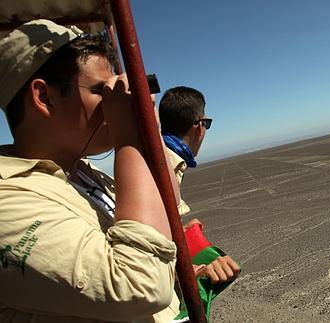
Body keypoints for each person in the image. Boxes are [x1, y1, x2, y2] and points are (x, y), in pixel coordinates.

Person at [0, 19, 216, 322]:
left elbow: (161, 214)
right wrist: (127, 136)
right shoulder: (8, 201)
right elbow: (137, 285)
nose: (115, 102)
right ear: (44, 97)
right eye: (102, 90)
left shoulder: (81, 174)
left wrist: (148, 129)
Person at [158, 87, 240, 319]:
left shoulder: (160, 160)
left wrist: (179, 231)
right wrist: (189, 271)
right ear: (199, 126)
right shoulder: (164, 169)